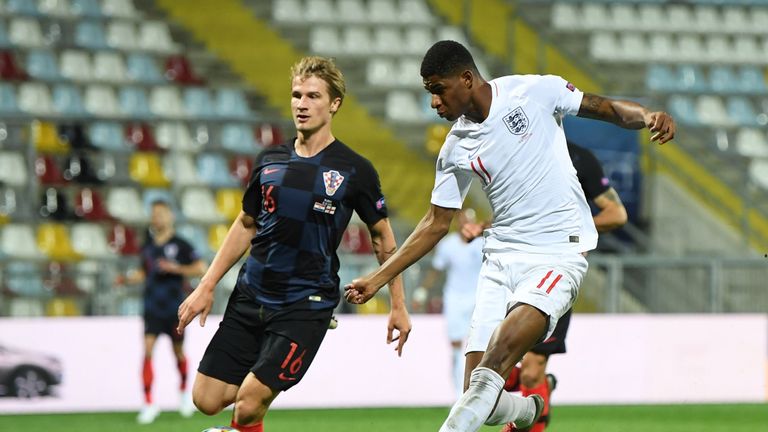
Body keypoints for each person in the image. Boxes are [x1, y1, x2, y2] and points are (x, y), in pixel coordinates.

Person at [344, 40, 675, 432]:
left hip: (556, 254)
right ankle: (526, 411)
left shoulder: (532, 91)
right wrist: (377, 279)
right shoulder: (454, 149)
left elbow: (608, 109)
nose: (434, 103)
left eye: (438, 89)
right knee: (475, 393)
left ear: (466, 79)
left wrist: (648, 115)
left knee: (495, 361)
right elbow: (435, 223)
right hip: (500, 259)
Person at [176, 56, 412, 432]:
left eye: (313, 96)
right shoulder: (269, 160)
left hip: (305, 304)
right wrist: (206, 286)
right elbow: (245, 223)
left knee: (250, 401)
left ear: (334, 103)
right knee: (206, 400)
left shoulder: (355, 169)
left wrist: (397, 304)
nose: (302, 104)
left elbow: (383, 237)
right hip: (251, 296)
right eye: (297, 95)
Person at [462, 140, 628, 432]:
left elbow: (617, 214)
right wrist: (484, 227)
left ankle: (529, 409)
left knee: (531, 372)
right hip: (513, 270)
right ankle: (538, 390)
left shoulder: (579, 157)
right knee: (495, 363)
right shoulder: (520, 150)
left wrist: (568, 228)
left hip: (555, 272)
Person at [119, 199, 207, 424]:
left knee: (178, 353)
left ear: (170, 217)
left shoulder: (181, 245)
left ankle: (184, 393)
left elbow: (200, 268)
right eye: (154, 214)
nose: (156, 217)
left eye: (160, 213)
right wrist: (127, 279)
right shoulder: (147, 246)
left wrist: (176, 268)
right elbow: (143, 272)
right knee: (147, 351)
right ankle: (149, 403)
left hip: (174, 308)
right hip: (151, 308)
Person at [415, 208, 484, 400]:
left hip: (477, 298)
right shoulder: (448, 245)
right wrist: (422, 291)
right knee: (455, 345)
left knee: (477, 344)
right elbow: (436, 270)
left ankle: (477, 391)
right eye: (463, 221)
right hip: (454, 298)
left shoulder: (483, 244)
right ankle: (458, 393)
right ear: (459, 223)